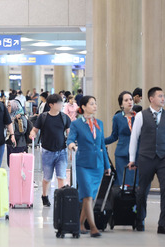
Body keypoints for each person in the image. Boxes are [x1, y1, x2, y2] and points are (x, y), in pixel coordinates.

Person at [128, 87, 165, 234]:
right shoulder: (141, 116)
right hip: (145, 158)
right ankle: (139, 220)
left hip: (163, 158)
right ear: (151, 99)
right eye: (160, 96)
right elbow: (134, 138)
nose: (163, 99)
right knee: (142, 192)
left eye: (164, 96)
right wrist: (132, 159)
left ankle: (163, 225)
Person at [67, 96, 111, 238]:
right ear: (84, 107)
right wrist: (72, 146)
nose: (95, 106)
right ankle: (93, 227)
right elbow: (70, 139)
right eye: (92, 104)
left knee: (90, 197)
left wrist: (107, 165)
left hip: (97, 165)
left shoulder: (99, 123)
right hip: (83, 164)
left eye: (95, 103)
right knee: (86, 195)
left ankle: (80, 224)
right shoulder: (77, 124)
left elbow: (102, 145)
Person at [29, 94, 71, 207]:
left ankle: (61, 199)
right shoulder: (43, 117)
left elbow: (69, 132)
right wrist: (32, 134)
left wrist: (72, 143)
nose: (61, 105)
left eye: (61, 102)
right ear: (51, 105)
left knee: (61, 176)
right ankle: (44, 196)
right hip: (47, 151)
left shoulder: (64, 117)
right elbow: (35, 129)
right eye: (58, 103)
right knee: (47, 177)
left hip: (62, 151)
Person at [105, 91, 137, 186]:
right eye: (126, 100)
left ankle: (135, 201)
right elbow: (114, 136)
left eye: (131, 99)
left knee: (136, 182)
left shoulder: (139, 117)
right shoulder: (117, 118)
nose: (129, 102)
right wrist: (99, 140)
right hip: (122, 154)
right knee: (123, 182)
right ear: (121, 104)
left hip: (137, 154)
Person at [6, 100, 30, 166]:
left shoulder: (21, 116)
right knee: (11, 164)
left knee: (18, 165)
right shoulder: (9, 116)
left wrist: (17, 120)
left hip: (19, 144)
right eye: (7, 105)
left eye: (9, 105)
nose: (8, 107)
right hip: (10, 143)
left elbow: (23, 130)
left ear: (15, 106)